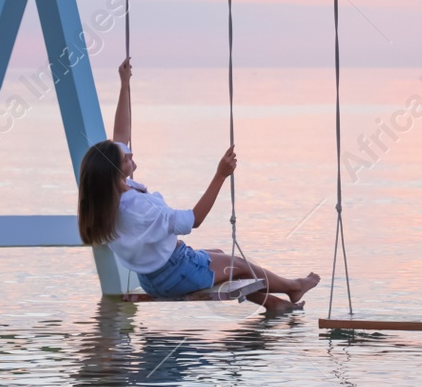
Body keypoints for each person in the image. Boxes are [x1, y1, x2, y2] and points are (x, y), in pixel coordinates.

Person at [77, 58, 319, 316]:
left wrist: (124, 85)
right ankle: (293, 286)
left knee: (219, 255)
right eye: (126, 158)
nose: (131, 153)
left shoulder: (109, 197)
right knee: (239, 264)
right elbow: (195, 220)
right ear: (115, 169)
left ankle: (273, 303)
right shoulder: (140, 207)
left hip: (152, 277)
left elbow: (121, 134)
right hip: (176, 273)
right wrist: (220, 175)